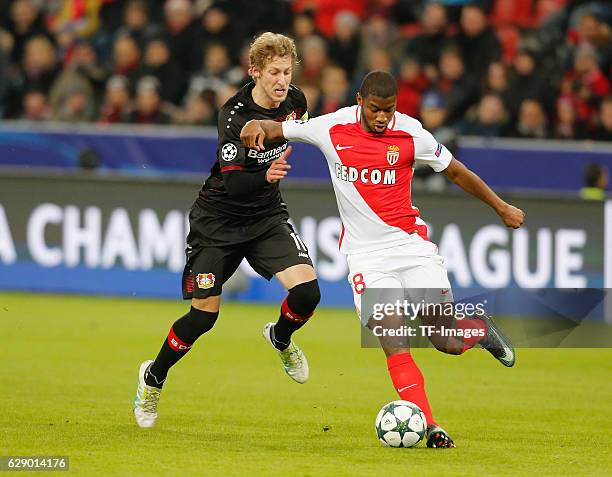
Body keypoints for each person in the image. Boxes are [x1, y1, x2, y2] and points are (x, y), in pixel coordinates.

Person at [240, 70, 525, 448]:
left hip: (412, 247)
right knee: (394, 337)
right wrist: (251, 126)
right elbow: (275, 128)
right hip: (366, 258)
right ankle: (431, 425)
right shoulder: (332, 126)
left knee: (447, 342)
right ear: (360, 101)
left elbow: (455, 171)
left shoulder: (410, 133)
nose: (381, 118)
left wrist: (501, 207)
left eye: (388, 111)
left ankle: (479, 329)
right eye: (375, 109)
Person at [133, 32, 321, 428]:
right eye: (273, 72)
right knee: (203, 318)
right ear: (255, 71)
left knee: (307, 293)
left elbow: (300, 132)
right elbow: (234, 184)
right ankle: (153, 378)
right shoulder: (233, 116)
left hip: (266, 216)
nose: (282, 80)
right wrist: (267, 173)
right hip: (218, 220)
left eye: (287, 71)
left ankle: (281, 338)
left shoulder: (296, 103)